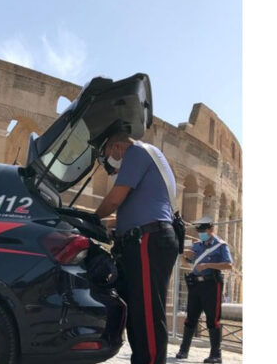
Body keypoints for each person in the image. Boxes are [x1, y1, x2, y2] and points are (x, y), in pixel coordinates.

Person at [95, 130, 178, 364]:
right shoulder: (145, 157)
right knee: (136, 313)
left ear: (117, 147)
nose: (110, 161)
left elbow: (114, 199)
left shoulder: (136, 152)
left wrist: (92, 218)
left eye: (108, 153)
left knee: (147, 313)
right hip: (142, 239)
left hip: (148, 240)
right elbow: (132, 208)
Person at [175, 217, 233, 363]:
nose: (201, 233)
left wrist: (208, 265)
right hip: (196, 285)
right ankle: (183, 350)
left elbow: (228, 265)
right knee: (191, 317)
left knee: (212, 319)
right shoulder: (197, 246)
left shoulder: (220, 245)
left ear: (211, 229)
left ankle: (216, 355)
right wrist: (184, 256)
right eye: (199, 231)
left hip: (212, 285)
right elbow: (188, 263)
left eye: (203, 230)